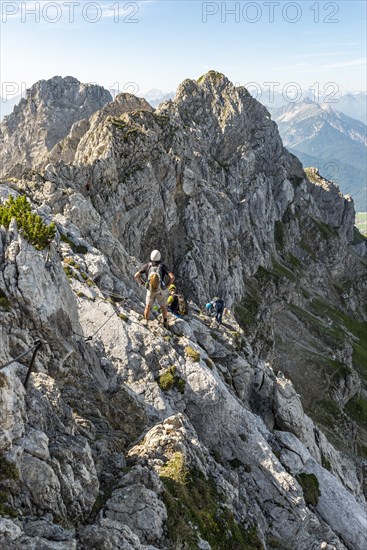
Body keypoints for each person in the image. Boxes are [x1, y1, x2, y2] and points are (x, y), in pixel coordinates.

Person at [134, 250, 175, 328]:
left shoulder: (147, 265)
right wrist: (166, 286)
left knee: (148, 306)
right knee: (163, 306)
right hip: (160, 290)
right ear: (159, 257)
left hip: (150, 290)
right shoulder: (162, 266)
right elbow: (172, 277)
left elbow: (136, 276)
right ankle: (165, 322)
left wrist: (143, 284)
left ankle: (146, 321)